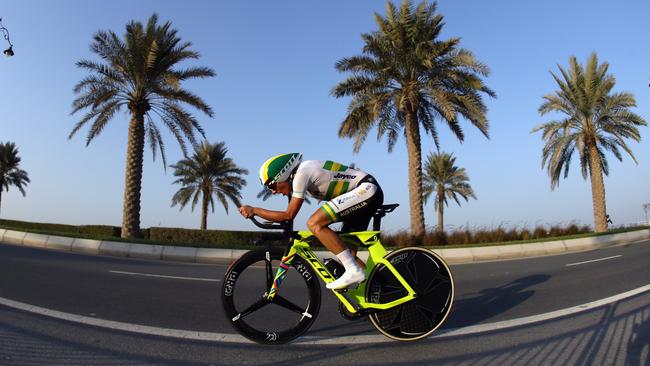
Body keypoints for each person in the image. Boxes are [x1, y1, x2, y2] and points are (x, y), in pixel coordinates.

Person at [239, 153, 384, 290]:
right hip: (365, 193)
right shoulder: (301, 174)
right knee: (348, 253)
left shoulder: (302, 173)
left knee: (314, 223)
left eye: (272, 185)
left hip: (367, 189)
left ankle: (353, 270)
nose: (273, 191)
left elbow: (288, 215)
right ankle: (380, 287)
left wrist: (255, 210)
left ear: (282, 176)